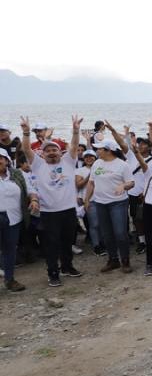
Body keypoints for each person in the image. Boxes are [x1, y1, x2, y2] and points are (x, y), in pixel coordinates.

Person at [20, 115, 83, 287]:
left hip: (68, 210)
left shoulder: (68, 162)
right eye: (47, 150)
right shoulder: (38, 165)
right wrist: (26, 132)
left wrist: (76, 131)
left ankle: (67, 267)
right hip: (48, 212)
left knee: (68, 241)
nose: (51, 152)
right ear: (43, 153)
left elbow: (75, 145)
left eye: (54, 149)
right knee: (51, 244)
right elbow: (26, 150)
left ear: (59, 151)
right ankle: (53, 272)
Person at [84, 139, 135, 273]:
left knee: (120, 233)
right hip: (100, 203)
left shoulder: (122, 165)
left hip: (118, 203)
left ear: (108, 151)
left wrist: (123, 185)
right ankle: (113, 260)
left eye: (99, 149)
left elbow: (131, 183)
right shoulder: (97, 164)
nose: (97, 151)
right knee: (107, 234)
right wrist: (87, 199)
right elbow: (91, 183)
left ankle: (125, 260)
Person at [0, 147, 36, 291]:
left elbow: (31, 190)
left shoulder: (18, 175)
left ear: (7, 161)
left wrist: (34, 200)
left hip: (13, 218)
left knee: (10, 250)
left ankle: (10, 280)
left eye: (0, 158)